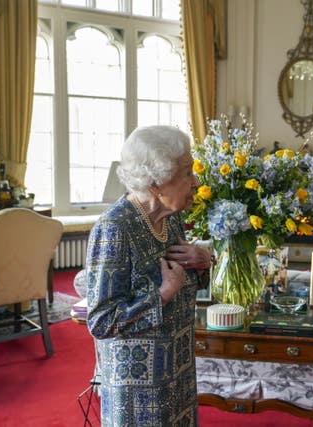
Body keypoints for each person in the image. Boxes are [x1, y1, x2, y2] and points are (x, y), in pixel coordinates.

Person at [86, 125, 211, 426]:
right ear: (155, 182)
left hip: (177, 372)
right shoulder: (115, 228)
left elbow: (185, 279)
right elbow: (101, 321)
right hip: (139, 392)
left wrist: (204, 261)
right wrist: (163, 294)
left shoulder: (172, 217)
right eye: (186, 173)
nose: (195, 182)